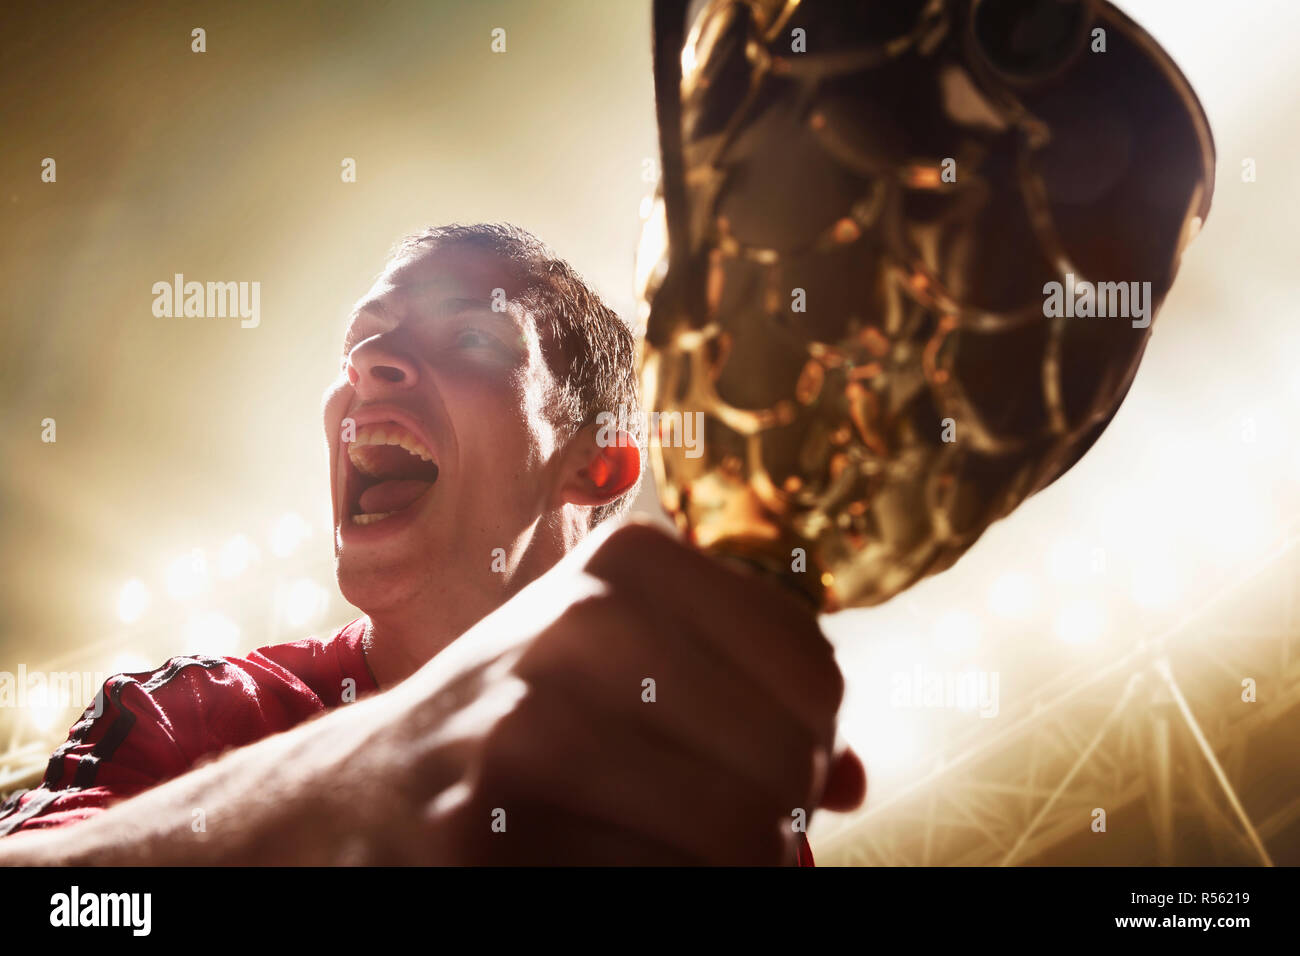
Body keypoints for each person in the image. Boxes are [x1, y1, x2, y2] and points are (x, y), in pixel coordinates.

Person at [0, 223, 864, 865]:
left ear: (598, 464)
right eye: (360, 345)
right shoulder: (194, 710)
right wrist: (364, 785)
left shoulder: (701, 799)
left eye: (473, 338)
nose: (371, 363)